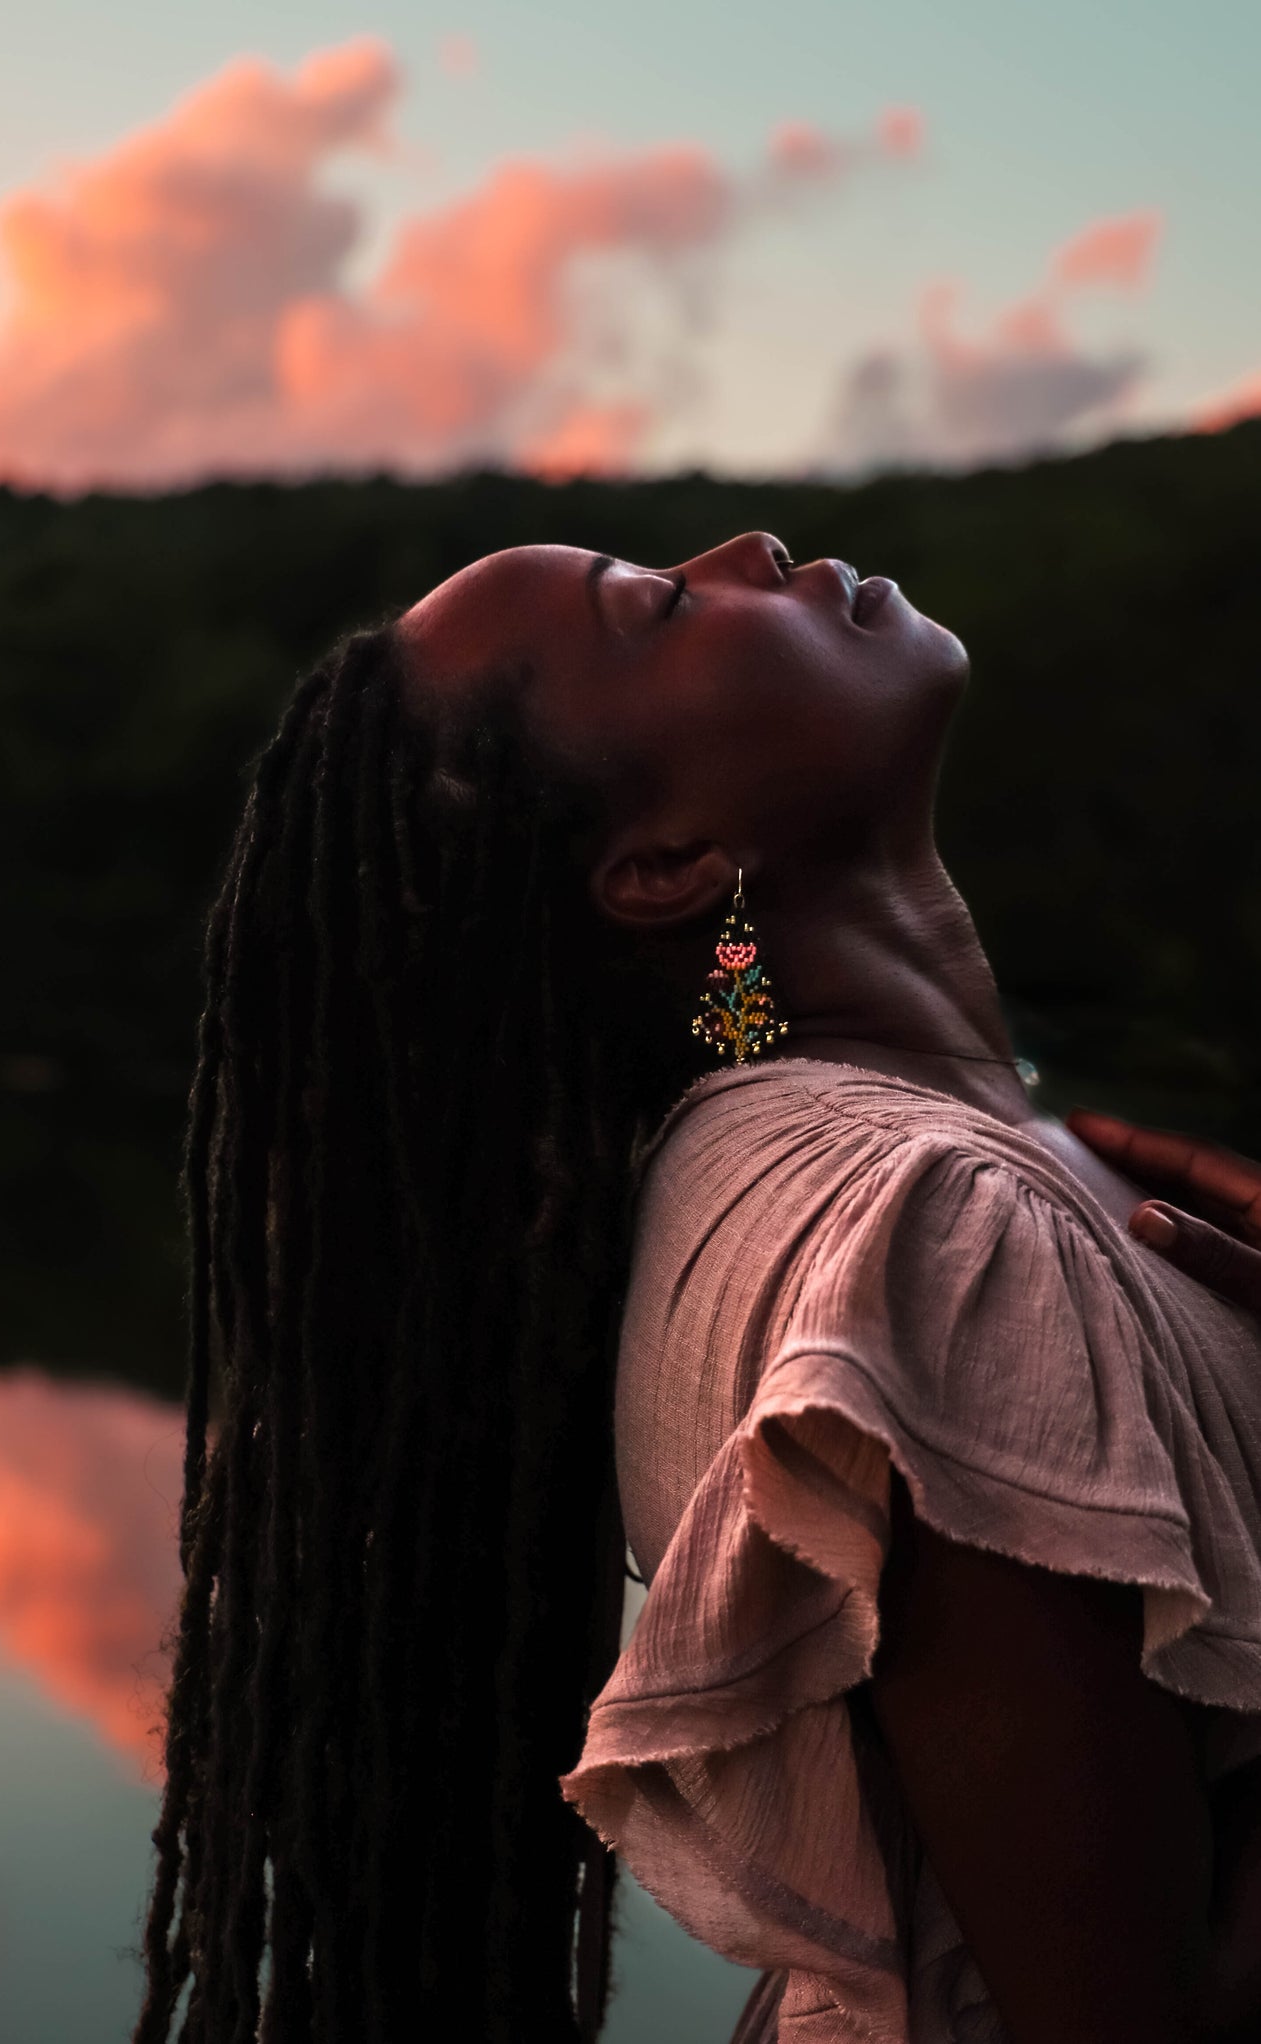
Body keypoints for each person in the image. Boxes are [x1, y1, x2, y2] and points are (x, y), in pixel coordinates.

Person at [131, 532, 1261, 2044]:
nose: (748, 548)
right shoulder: (919, 1236)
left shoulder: (951, 1165)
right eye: (657, 606)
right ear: (664, 867)